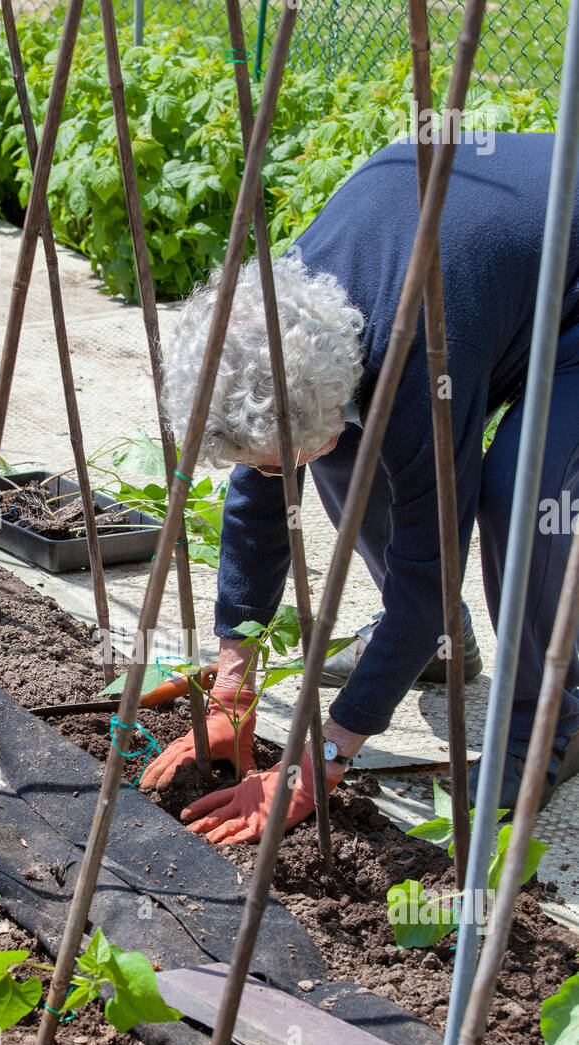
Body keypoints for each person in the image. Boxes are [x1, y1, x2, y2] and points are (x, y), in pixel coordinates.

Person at [140, 131, 579, 845]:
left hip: (567, 291)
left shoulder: (418, 365)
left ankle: (547, 719)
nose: (272, 477)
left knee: (518, 492)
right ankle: (440, 648)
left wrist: (321, 762)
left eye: (279, 463)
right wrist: (234, 682)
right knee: (337, 449)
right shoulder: (276, 319)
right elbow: (260, 495)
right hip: (491, 263)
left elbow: (431, 570)